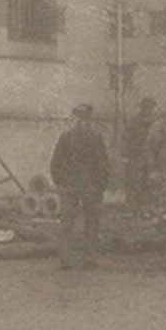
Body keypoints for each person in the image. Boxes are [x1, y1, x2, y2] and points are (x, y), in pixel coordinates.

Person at [49, 103, 110, 270]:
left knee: (92, 224)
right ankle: (65, 259)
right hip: (70, 187)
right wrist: (61, 183)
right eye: (79, 118)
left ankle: (90, 258)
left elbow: (103, 164)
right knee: (67, 223)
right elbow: (56, 163)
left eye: (85, 118)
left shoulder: (96, 138)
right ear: (75, 119)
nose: (82, 122)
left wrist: (100, 185)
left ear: (90, 120)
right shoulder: (66, 138)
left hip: (91, 187)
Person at [123, 97, 158, 212]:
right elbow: (126, 138)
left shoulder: (156, 123)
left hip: (151, 157)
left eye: (150, 107)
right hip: (136, 155)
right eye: (145, 107)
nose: (148, 109)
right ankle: (131, 207)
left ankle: (146, 208)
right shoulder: (133, 121)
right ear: (141, 107)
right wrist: (126, 155)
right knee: (133, 181)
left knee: (150, 182)